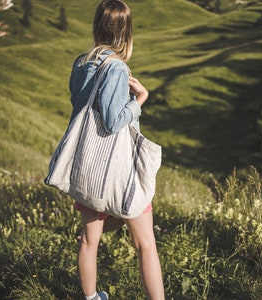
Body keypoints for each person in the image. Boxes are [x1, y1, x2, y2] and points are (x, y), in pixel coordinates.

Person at [68, 1, 165, 299]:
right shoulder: (117, 68)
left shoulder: (81, 64)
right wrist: (139, 100)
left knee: (88, 241)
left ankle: (91, 298)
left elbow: (81, 109)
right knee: (145, 244)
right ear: (126, 31)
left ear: (98, 25)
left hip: (87, 165)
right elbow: (113, 122)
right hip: (118, 170)